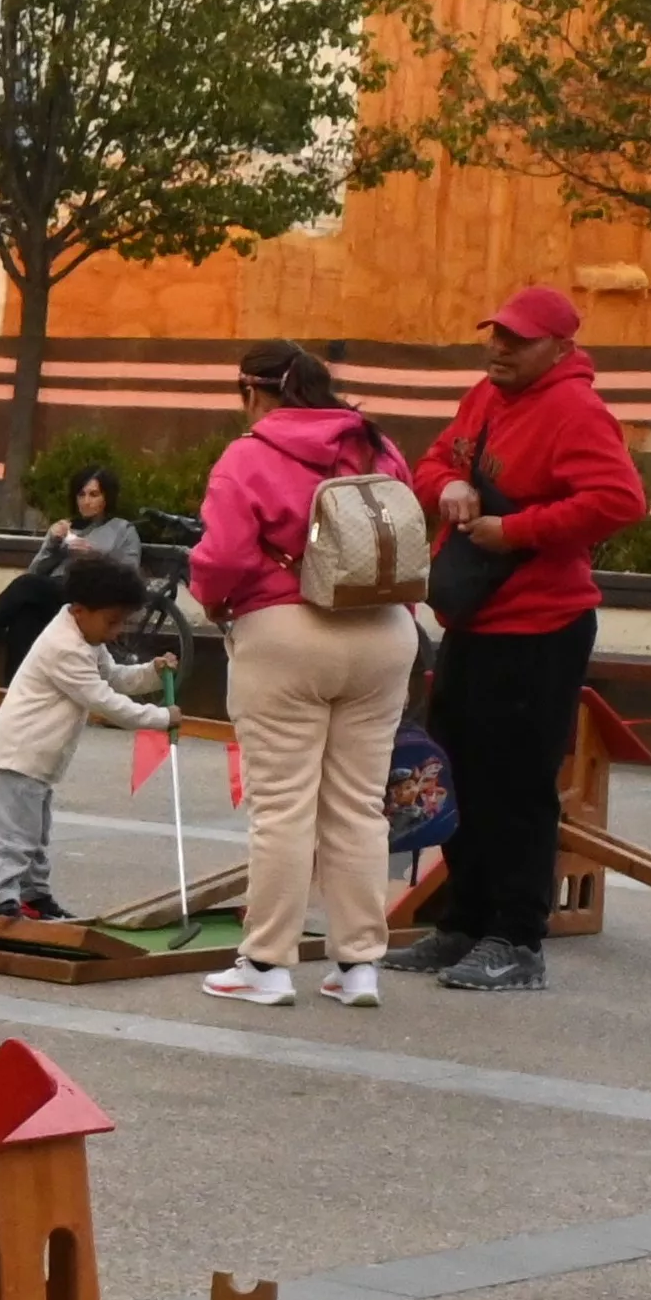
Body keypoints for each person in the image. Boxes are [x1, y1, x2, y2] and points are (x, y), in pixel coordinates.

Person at [395, 284, 645, 991]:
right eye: (496, 333)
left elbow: (620, 500)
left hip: (541, 624)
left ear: (560, 348)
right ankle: (461, 923)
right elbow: (432, 461)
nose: (498, 347)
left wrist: (517, 529)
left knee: (517, 783)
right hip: (474, 617)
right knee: (460, 772)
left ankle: (516, 936)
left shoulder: (574, 409)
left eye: (517, 338)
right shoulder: (484, 395)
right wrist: (445, 485)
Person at [188, 341, 419, 1009]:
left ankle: (265, 962)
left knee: (282, 805)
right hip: (383, 631)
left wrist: (214, 602)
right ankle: (358, 966)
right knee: (357, 805)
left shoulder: (248, 453)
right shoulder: (378, 446)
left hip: (285, 632)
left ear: (252, 391)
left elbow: (223, 554)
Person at [0, 558, 174, 922]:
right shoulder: (64, 647)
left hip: (41, 759)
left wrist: (152, 673)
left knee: (36, 834)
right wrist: (160, 718)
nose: (116, 632)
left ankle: (34, 896)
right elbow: (102, 700)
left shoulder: (86, 637)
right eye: (112, 622)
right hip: (20, 753)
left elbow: (116, 678)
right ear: (80, 610)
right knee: (14, 837)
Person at [0, 461, 144, 679]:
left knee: (27, 588)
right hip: (53, 595)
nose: (86, 501)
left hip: (87, 599)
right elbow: (35, 570)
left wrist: (94, 558)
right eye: (81, 494)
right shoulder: (66, 527)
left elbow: (129, 578)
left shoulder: (123, 530)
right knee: (24, 615)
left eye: (94, 495)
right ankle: (12, 695)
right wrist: (54, 544)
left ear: (107, 497)